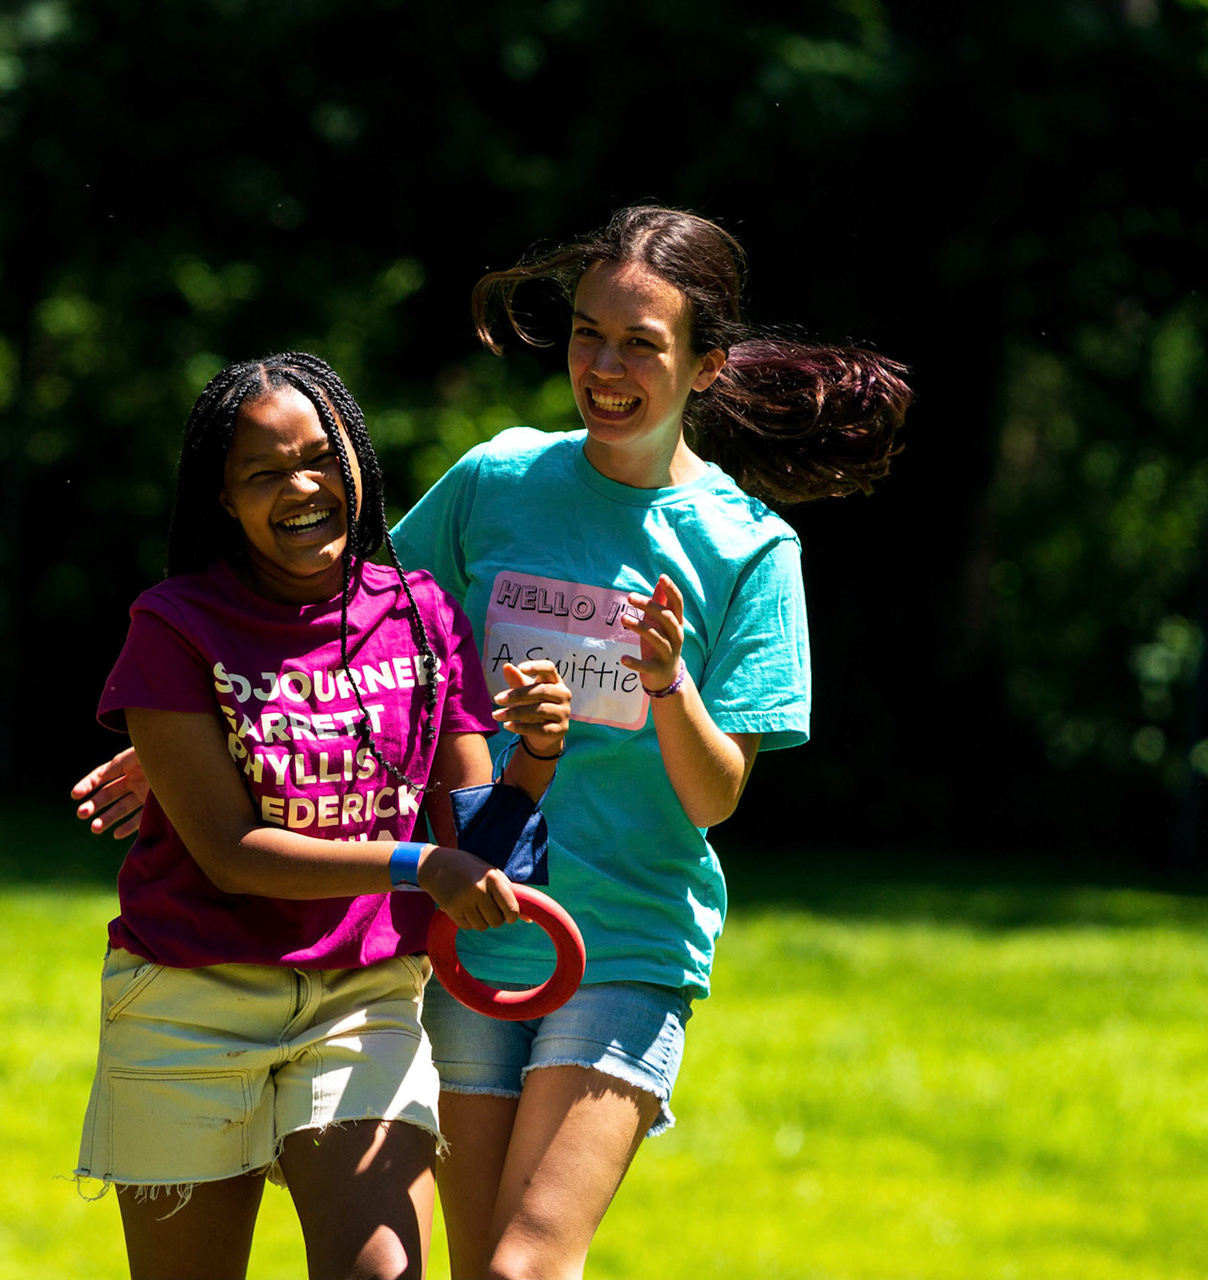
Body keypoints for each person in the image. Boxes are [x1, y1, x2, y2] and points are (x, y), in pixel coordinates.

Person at [73, 208, 910, 1279]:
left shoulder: (750, 548)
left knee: (523, 1266)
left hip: (625, 939)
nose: (603, 367)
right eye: (586, 334)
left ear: (704, 366)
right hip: (467, 937)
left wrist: (667, 685)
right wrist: (195, 732)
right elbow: (341, 615)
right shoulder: (496, 481)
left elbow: (715, 796)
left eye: (640, 343)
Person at [77, 351, 574, 1280]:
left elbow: (482, 849)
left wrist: (538, 756)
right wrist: (415, 867)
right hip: (190, 999)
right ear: (224, 501)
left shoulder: (424, 617)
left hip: (362, 999)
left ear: (357, 462)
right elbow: (229, 853)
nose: (301, 488)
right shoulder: (176, 625)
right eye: (264, 474)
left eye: (320, 459)